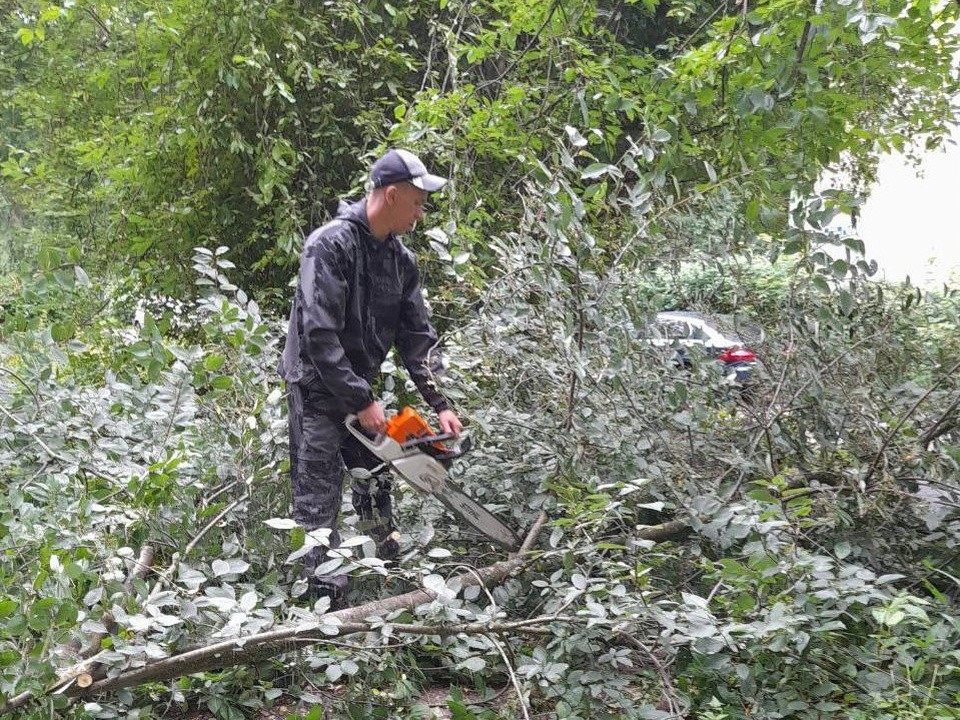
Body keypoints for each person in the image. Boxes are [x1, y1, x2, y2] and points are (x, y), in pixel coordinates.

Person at [278, 148, 463, 607]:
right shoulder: (330, 245)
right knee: (319, 501)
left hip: (360, 391)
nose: (421, 212)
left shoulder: (400, 262)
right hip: (319, 391)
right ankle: (329, 613)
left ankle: (389, 585)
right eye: (417, 202)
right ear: (392, 194)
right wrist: (361, 399)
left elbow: (417, 338)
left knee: (376, 484)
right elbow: (319, 334)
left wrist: (441, 404)